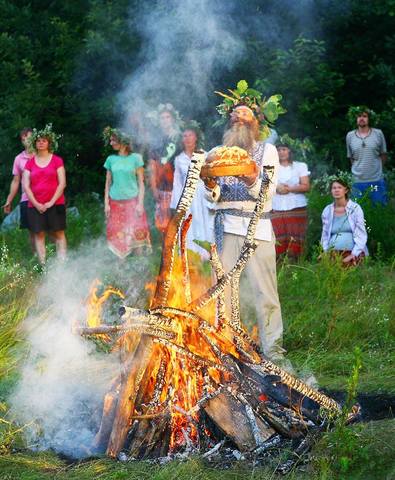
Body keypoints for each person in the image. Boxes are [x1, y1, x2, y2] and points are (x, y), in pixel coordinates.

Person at [202, 84, 286, 361]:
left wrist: (249, 176)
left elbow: (268, 192)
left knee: (265, 294)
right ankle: (225, 348)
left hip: (257, 229)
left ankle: (274, 352)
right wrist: (209, 183)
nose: (239, 117)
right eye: (235, 114)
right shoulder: (216, 152)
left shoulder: (267, 152)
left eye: (245, 113)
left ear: (256, 121)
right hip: (225, 229)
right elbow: (213, 197)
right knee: (222, 292)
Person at [22, 124, 67, 264]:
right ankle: (43, 265)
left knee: (59, 233)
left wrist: (50, 202)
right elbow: (25, 184)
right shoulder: (29, 163)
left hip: (55, 203)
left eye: (44, 140)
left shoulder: (57, 160)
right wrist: (36, 204)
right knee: (39, 234)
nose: (41, 142)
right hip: (35, 205)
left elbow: (62, 183)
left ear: (49, 143)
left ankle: (62, 264)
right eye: (38, 140)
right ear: (35, 143)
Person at [103, 127, 151, 258]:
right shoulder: (111, 159)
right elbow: (107, 183)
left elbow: (141, 183)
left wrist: (140, 204)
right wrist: (106, 203)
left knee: (136, 232)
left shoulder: (136, 158)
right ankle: (121, 268)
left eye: (113, 140)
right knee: (118, 234)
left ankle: (139, 264)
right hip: (115, 203)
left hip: (132, 201)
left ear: (122, 141)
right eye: (110, 140)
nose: (111, 143)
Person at [170, 124, 213, 259]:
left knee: (204, 221)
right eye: (185, 136)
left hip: (202, 195)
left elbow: (211, 178)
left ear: (196, 137)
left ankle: (206, 255)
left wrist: (212, 197)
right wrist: (177, 206)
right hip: (187, 196)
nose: (187, 138)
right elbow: (177, 183)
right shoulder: (179, 159)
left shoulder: (205, 155)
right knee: (188, 223)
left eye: (190, 135)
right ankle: (190, 254)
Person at [271, 141, 310, 258]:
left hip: (296, 206)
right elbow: (264, 185)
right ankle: (279, 264)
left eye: (284, 149)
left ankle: (296, 264)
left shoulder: (300, 166)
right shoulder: (270, 167)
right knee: (277, 235)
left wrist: (289, 189)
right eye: (278, 150)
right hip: (276, 206)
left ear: (289, 151)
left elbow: (306, 186)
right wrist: (276, 187)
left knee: (296, 236)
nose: (281, 152)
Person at [148, 104, 182, 234]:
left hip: (178, 185)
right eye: (162, 118)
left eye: (167, 117)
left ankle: (181, 252)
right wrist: (154, 187)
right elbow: (152, 165)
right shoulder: (156, 141)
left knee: (179, 221)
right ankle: (166, 252)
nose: (165, 120)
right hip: (163, 187)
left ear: (173, 119)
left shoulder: (180, 138)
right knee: (164, 223)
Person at [321, 175, 368, 266]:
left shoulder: (355, 208)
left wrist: (353, 254)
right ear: (331, 191)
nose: (336, 190)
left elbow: (361, 234)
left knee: (347, 269)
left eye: (339, 187)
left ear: (345, 190)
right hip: (333, 252)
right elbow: (325, 235)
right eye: (334, 188)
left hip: (352, 252)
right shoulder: (327, 210)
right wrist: (325, 252)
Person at [346, 106, 388, 204]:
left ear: (369, 119)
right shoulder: (350, 136)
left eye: (364, 116)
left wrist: (377, 169)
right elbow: (351, 158)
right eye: (359, 116)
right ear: (355, 119)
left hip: (376, 179)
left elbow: (383, 154)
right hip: (357, 181)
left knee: (379, 209)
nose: (361, 118)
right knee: (358, 211)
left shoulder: (378, 133)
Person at [3, 128, 35, 248]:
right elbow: (16, 181)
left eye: (29, 137)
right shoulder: (19, 159)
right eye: (24, 139)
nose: (27, 140)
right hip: (26, 199)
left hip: (44, 197)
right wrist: (9, 200)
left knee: (50, 229)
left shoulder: (42, 155)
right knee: (32, 231)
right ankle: (38, 262)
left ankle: (57, 260)